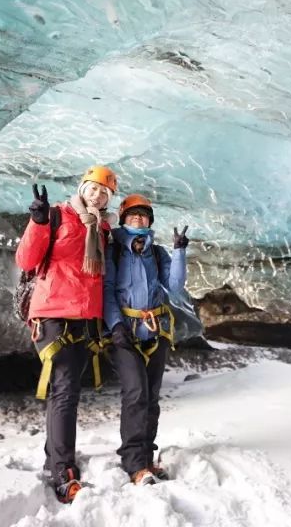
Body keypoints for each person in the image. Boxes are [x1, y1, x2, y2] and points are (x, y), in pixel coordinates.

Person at [14, 165, 117, 504]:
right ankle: (62, 470)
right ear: (82, 187)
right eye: (94, 188)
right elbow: (26, 259)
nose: (98, 195)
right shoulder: (58, 215)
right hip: (55, 316)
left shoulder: (102, 228)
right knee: (66, 392)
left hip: (85, 321)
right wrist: (38, 222)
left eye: (105, 192)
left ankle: (53, 456)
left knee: (66, 390)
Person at [103, 193, 190, 485]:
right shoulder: (113, 252)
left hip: (156, 330)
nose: (138, 219)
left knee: (151, 398)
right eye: (133, 214)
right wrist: (115, 325)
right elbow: (107, 289)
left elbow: (175, 286)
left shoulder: (158, 253)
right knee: (136, 394)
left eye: (143, 215)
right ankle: (134, 464)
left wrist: (179, 252)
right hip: (125, 332)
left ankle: (147, 459)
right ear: (123, 218)